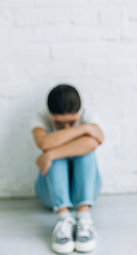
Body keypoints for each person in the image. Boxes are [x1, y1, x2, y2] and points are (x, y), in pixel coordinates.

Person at [32, 84, 104, 254]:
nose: (66, 128)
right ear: (49, 112)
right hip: (50, 194)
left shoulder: (87, 115)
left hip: (86, 192)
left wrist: (51, 153)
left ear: (80, 106)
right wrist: (84, 130)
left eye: (71, 122)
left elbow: (96, 140)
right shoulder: (41, 117)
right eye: (59, 123)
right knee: (53, 153)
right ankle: (63, 219)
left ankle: (84, 219)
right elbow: (43, 143)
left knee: (86, 152)